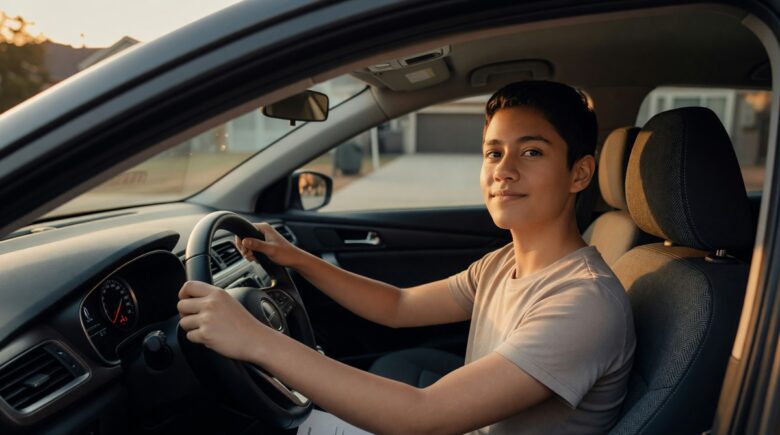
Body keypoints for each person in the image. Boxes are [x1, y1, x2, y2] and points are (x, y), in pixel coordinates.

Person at [177, 80, 636, 434]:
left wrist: (255, 340)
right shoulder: (503, 263)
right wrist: (296, 258)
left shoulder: (583, 303)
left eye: (531, 151)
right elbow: (399, 307)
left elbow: (425, 417)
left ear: (579, 173)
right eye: (492, 152)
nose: (503, 170)